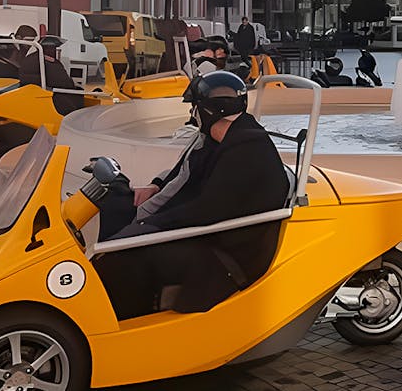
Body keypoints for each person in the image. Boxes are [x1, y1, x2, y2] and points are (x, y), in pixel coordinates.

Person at [94, 71, 289, 319]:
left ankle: (116, 321)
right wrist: (155, 186)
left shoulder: (247, 150)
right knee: (117, 205)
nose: (191, 115)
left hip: (226, 256)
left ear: (209, 112)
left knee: (127, 253)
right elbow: (185, 171)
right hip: (212, 234)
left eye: (195, 108)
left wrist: (152, 225)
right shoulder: (216, 139)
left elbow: (209, 209)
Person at [16, 36, 82, 116]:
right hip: (50, 100)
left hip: (32, 95)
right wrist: (75, 85)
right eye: (54, 48)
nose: (55, 51)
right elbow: (64, 83)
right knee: (78, 94)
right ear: (48, 49)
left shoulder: (29, 58)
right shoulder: (50, 63)